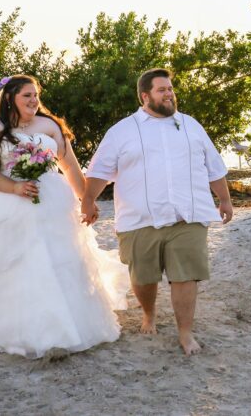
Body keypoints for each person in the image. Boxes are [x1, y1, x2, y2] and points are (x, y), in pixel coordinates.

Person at [0, 74, 129, 358]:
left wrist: (86, 200)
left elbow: (70, 166)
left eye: (36, 95)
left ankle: (68, 326)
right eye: (27, 95)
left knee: (61, 260)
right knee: (14, 261)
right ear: (10, 97)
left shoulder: (49, 125)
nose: (34, 101)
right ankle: (12, 326)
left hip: (52, 201)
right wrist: (13, 186)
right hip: (6, 200)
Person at [81, 68, 234, 356]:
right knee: (143, 278)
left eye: (171, 88)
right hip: (140, 219)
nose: (169, 94)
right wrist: (88, 200)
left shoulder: (191, 126)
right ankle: (149, 314)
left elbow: (213, 166)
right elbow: (99, 170)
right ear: (145, 96)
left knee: (186, 275)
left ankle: (185, 334)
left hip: (188, 216)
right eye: (162, 89)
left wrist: (224, 199)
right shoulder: (122, 131)